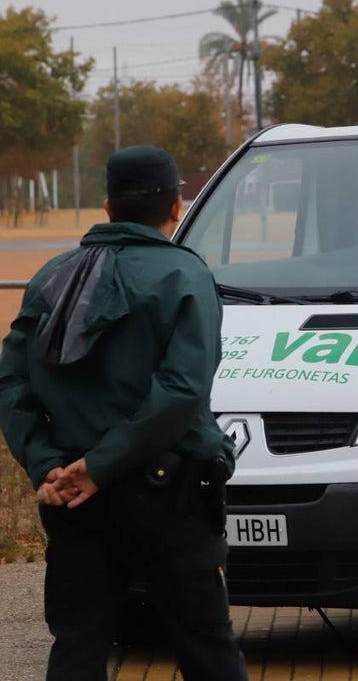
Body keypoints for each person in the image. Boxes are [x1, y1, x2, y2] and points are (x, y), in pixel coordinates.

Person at [0, 146, 249, 680]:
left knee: (79, 644)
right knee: (206, 646)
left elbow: (13, 381)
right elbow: (183, 390)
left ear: (108, 206)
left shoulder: (51, 277)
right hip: (171, 492)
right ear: (176, 206)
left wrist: (50, 466)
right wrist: (105, 463)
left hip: (70, 497)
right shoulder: (184, 276)